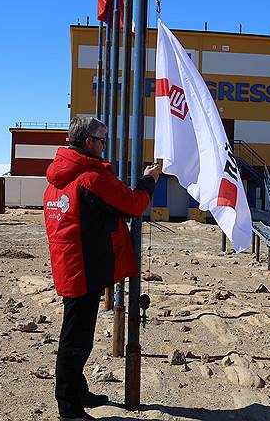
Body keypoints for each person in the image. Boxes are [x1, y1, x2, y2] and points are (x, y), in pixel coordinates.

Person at [44, 116, 162, 420]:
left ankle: (78, 390)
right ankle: (69, 406)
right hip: (84, 267)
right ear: (88, 142)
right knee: (75, 339)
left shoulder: (59, 179)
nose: (105, 145)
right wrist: (149, 180)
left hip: (72, 264)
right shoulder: (90, 178)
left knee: (78, 334)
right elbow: (134, 204)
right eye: (102, 139)